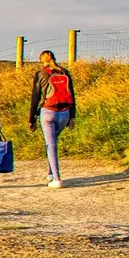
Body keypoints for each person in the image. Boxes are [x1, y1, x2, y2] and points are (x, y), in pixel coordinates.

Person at [29, 50, 77, 189]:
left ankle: (56, 178)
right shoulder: (64, 72)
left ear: (42, 60)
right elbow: (72, 95)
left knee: (50, 145)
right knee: (53, 143)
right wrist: (72, 116)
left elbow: (35, 97)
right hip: (64, 113)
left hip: (48, 112)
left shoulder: (41, 74)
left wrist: (31, 119)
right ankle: (50, 174)